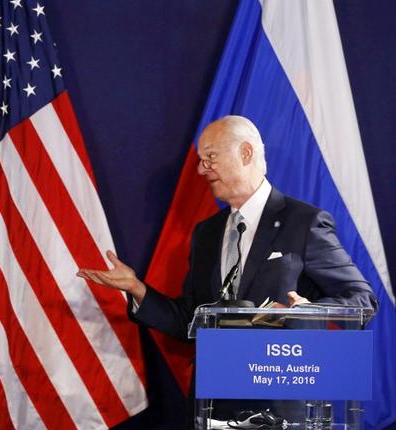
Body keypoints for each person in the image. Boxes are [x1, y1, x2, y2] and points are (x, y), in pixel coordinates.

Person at [77, 115, 377, 422]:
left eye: (210, 157)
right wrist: (136, 289)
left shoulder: (304, 223)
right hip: (214, 409)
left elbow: (362, 300)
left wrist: (309, 311)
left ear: (245, 153)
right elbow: (190, 320)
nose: (200, 169)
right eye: (200, 160)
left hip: (281, 410)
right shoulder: (206, 233)